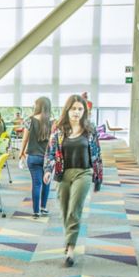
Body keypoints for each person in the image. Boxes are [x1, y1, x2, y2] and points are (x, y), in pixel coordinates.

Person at [44, 93, 103, 267]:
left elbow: (97, 154)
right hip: (63, 174)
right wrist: (48, 170)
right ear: (67, 110)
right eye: (73, 109)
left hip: (83, 173)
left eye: (80, 109)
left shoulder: (90, 130)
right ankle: (69, 239)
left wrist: (98, 177)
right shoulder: (58, 130)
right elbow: (50, 152)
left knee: (74, 210)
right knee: (64, 210)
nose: (76, 112)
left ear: (84, 111)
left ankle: (70, 249)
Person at [20, 96, 52, 218]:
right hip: (47, 158)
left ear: (37, 106)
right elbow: (53, 142)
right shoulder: (52, 122)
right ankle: (43, 207)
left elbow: (25, 139)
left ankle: (36, 211)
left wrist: (21, 152)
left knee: (36, 183)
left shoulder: (29, 120)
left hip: (33, 157)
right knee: (46, 182)